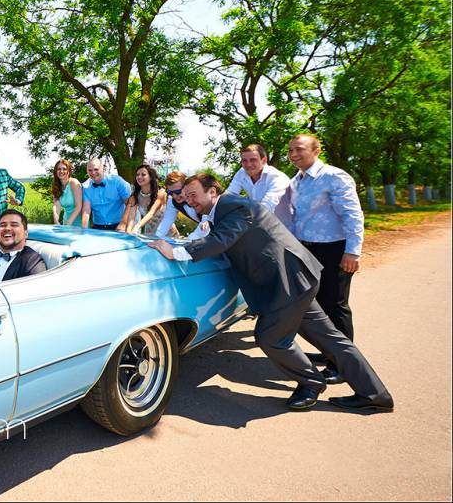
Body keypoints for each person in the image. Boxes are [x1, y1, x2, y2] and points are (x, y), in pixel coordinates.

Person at [146, 173, 393, 413]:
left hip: (286, 281)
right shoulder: (218, 213)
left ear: (212, 191)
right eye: (186, 196)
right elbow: (218, 239)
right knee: (330, 339)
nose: (189, 201)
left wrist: (174, 252)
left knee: (270, 338)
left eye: (193, 194)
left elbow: (221, 240)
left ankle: (311, 383)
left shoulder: (234, 206)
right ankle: (375, 394)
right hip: (295, 279)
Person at [288, 133, 365, 384]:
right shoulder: (296, 181)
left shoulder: (334, 176)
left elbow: (353, 215)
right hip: (308, 250)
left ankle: (343, 365)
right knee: (318, 306)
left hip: (334, 250)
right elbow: (297, 218)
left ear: (316, 150)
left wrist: (352, 251)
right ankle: (329, 351)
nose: (293, 154)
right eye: (290, 150)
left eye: (299, 149)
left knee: (335, 306)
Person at [225, 143, 293, 228]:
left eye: (253, 160)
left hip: (285, 228)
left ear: (264, 160)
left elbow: (265, 208)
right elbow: (228, 197)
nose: (248, 164)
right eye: (244, 160)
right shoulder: (242, 173)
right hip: (262, 224)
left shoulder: (277, 178)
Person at [80, 156, 132, 230]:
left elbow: (130, 204)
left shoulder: (117, 181)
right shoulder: (86, 186)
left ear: (103, 168)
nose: (93, 173)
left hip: (119, 225)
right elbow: (86, 210)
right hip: (98, 227)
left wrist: (123, 223)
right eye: (90, 170)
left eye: (96, 169)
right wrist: (84, 229)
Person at [119, 164, 168, 234]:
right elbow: (132, 218)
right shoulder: (135, 195)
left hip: (166, 233)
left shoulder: (161, 193)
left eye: (143, 174)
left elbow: (151, 213)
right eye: (137, 175)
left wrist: (137, 226)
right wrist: (128, 232)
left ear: (151, 177)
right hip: (149, 234)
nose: (139, 177)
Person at [154, 170, 201, 237]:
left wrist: (190, 239)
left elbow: (206, 223)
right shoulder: (172, 201)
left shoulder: (200, 197)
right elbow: (167, 221)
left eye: (178, 191)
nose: (175, 196)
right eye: (170, 192)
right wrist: (157, 237)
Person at [52, 159, 83, 226]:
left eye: (64, 169)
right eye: (59, 169)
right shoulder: (56, 186)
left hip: (79, 224)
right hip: (66, 222)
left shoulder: (74, 183)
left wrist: (68, 223)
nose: (61, 171)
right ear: (56, 171)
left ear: (68, 171)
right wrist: (56, 220)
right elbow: (56, 205)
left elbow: (78, 206)